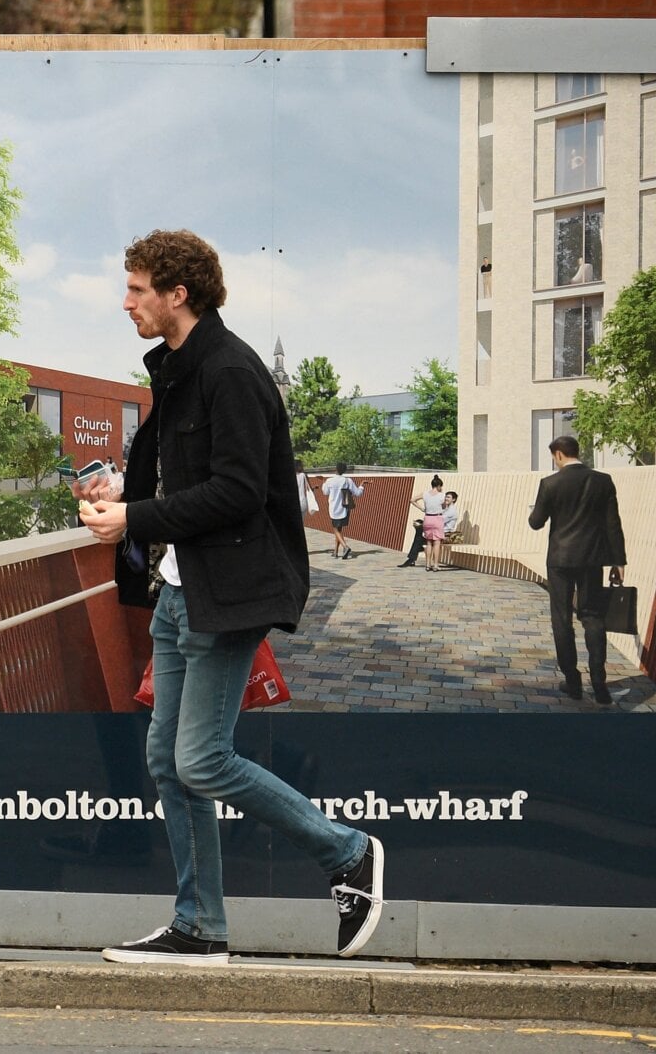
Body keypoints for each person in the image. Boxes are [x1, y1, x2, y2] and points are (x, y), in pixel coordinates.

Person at [74, 229, 383, 965]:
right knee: (166, 759)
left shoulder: (231, 371)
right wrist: (125, 493)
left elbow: (240, 491)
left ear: (178, 293)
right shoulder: (182, 368)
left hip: (231, 591)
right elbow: (188, 474)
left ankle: (348, 853)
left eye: (137, 290)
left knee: (203, 760)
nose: (126, 303)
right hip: (185, 588)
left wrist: (134, 519)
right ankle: (198, 925)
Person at [528, 436, 627, 706]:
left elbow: (536, 522)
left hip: (560, 560)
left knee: (562, 619)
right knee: (593, 617)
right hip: (592, 559)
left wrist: (534, 511)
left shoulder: (550, 483)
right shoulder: (602, 481)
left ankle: (572, 682)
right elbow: (613, 524)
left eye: (553, 457)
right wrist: (619, 562)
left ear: (559, 454)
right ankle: (600, 684)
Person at [405, 476, 448, 571]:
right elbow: (444, 507)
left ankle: (428, 564)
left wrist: (421, 508)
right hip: (437, 518)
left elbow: (412, 500)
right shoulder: (442, 495)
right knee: (437, 543)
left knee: (429, 542)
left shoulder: (425, 494)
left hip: (428, 518)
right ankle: (436, 565)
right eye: (441, 486)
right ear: (438, 486)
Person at [323, 463, 365, 559]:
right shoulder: (347, 480)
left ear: (335, 469)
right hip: (344, 508)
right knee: (339, 530)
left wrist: (324, 483)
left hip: (333, 508)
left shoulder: (329, 481)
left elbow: (325, 492)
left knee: (335, 529)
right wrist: (361, 486)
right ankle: (335, 552)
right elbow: (358, 493)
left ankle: (345, 547)